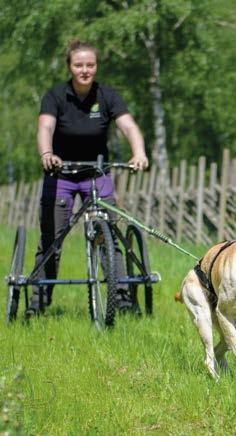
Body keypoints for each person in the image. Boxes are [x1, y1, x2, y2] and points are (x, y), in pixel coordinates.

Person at [26, 39, 148, 317]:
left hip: (97, 173)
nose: (85, 70)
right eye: (79, 65)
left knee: (108, 235)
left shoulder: (107, 95)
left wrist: (139, 152)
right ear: (69, 67)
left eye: (90, 65)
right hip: (61, 174)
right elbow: (45, 127)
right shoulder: (55, 96)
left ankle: (121, 298)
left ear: (96, 67)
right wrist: (47, 153)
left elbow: (128, 126)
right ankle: (39, 300)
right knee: (51, 241)